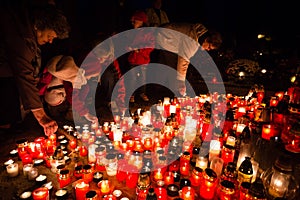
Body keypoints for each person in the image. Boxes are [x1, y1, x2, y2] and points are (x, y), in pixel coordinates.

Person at [0, 1, 70, 136]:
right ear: (40, 25)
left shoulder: (29, 31)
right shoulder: (22, 38)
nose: (50, 41)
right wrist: (41, 116)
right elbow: (24, 73)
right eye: (50, 36)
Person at [39, 38, 126, 125]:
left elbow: (118, 79)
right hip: (62, 88)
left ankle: (90, 107)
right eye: (100, 58)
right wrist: (85, 113)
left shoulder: (107, 59)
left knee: (95, 82)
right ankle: (77, 111)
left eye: (104, 58)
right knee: (86, 89)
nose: (101, 61)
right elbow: (73, 96)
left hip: (77, 83)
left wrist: (121, 102)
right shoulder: (75, 73)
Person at [155, 22, 222, 97]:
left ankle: (168, 92)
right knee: (172, 69)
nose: (208, 50)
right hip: (164, 39)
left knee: (171, 69)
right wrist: (181, 82)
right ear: (207, 40)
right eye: (209, 47)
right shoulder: (192, 41)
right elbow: (184, 60)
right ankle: (171, 95)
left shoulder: (198, 32)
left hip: (164, 35)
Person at [126, 10, 155, 103]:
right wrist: (129, 48)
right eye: (133, 20)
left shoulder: (147, 33)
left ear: (141, 21)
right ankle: (132, 94)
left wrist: (139, 49)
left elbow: (151, 46)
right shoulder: (130, 32)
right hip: (133, 60)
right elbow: (125, 44)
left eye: (136, 20)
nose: (133, 22)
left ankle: (142, 92)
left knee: (142, 78)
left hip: (143, 60)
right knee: (132, 78)